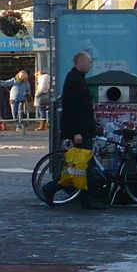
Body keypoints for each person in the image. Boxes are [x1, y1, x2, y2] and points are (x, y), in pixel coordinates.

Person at [41, 52, 104, 209]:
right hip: (81, 132)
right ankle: (86, 200)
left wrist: (93, 122)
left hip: (84, 129)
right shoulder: (74, 80)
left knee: (80, 166)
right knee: (84, 166)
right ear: (80, 62)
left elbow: (82, 107)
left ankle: (57, 190)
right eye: (89, 62)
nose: (90, 65)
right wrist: (76, 132)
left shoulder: (77, 79)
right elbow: (74, 109)